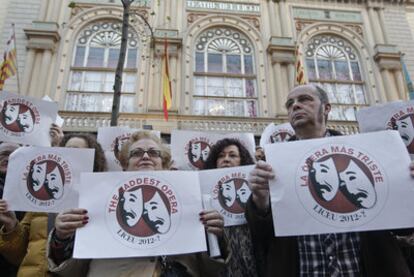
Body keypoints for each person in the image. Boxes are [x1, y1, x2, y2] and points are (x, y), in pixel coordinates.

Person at [246, 84, 413, 276]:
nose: (295, 106)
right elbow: (260, 235)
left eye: (304, 99)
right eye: (290, 103)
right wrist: (260, 200)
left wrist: (409, 189)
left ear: (326, 108)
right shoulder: (271, 165)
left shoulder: (368, 154)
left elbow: (405, 226)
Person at [48, 130, 228, 277]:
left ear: (164, 164)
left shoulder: (190, 199)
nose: (145, 157)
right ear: (125, 166)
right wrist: (61, 238)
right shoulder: (96, 198)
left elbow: (211, 269)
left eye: (154, 153)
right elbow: (72, 271)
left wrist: (215, 237)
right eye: (136, 153)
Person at [0, 129, 105, 277]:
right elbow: (19, 256)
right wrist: (11, 225)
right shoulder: (40, 200)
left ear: (93, 160)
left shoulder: (101, 201)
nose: (72, 156)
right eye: (66, 151)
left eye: (78, 152)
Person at [203, 138, 259, 277]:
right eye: (221, 156)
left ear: (243, 160)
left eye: (232, 155)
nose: (226, 159)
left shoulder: (257, 188)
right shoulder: (202, 194)